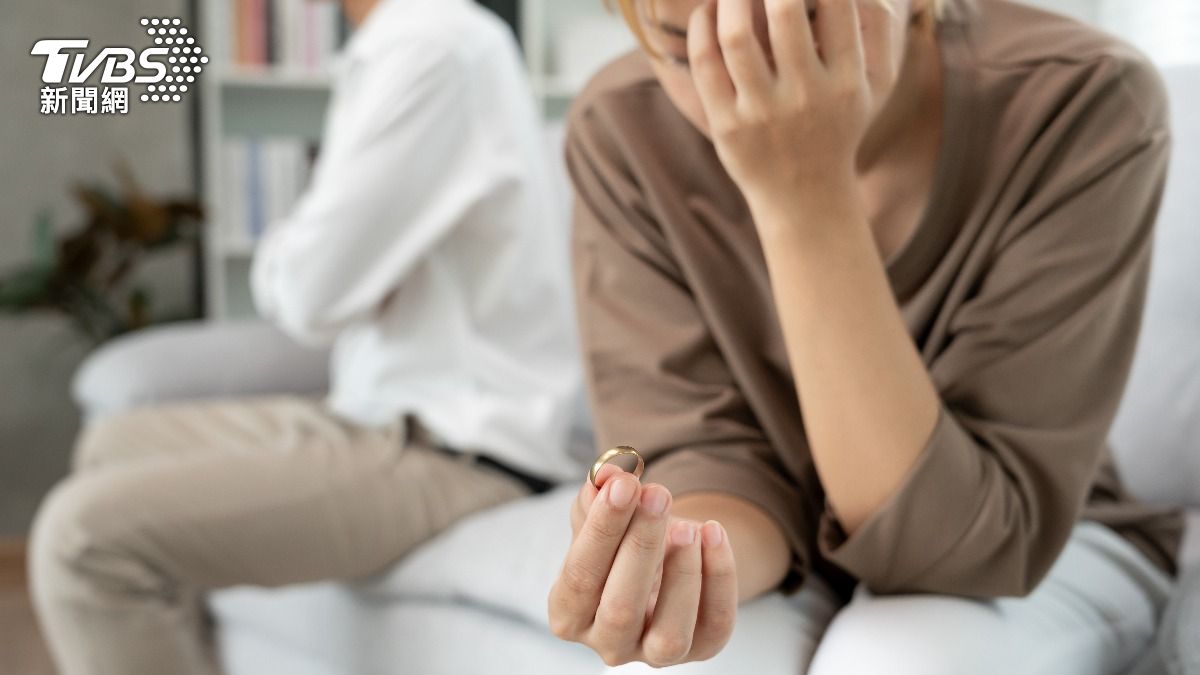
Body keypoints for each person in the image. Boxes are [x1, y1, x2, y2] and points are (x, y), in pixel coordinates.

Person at [548, 0, 1184, 672]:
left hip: (1037, 546)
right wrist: (677, 557)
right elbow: (711, 457)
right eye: (683, 48)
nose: (749, 86)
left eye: (802, 23)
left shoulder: (1079, 97)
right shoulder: (622, 127)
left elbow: (968, 545)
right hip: (791, 545)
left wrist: (805, 190)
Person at [28, 0, 580, 673]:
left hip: (462, 447)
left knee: (82, 540)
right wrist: (319, 255)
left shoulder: (434, 46)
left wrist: (305, 249)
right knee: (112, 441)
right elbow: (324, 280)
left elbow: (310, 295)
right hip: (380, 414)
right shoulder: (407, 45)